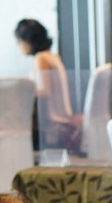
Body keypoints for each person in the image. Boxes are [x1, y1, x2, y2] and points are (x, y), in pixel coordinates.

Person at [15, 18, 81, 152]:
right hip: (63, 117)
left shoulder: (41, 58)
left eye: (20, 40)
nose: (18, 44)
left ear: (28, 40)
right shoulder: (53, 56)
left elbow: (44, 91)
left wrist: (22, 92)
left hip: (52, 122)